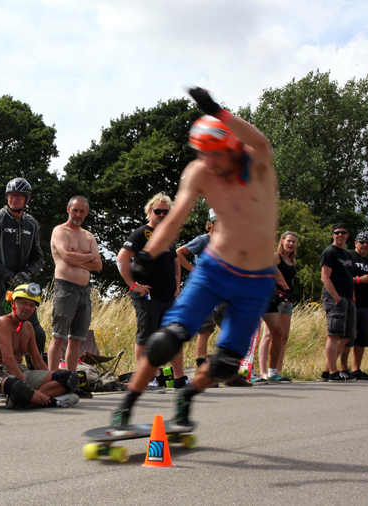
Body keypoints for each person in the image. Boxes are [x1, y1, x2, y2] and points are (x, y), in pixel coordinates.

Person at [111, 87, 279, 430]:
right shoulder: (199, 172)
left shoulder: (256, 164)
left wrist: (219, 112)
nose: (209, 161)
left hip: (256, 279)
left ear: (231, 146)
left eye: (215, 153)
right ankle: (126, 406)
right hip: (215, 270)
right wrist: (148, 252)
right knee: (166, 340)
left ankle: (186, 397)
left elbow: (261, 142)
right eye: (203, 153)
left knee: (226, 365)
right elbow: (175, 218)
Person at [116, 193, 185, 391]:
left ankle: (179, 379)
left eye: (166, 211)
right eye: (158, 211)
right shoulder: (141, 233)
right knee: (146, 337)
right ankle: (147, 379)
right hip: (147, 296)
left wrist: (177, 285)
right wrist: (133, 285)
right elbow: (122, 258)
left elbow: (175, 261)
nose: (162, 215)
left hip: (168, 297)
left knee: (173, 336)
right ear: (150, 212)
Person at [0, 178, 46, 369]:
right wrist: (9, 275)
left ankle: (35, 376)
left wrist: (27, 273)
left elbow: (38, 256)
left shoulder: (32, 224)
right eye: (11, 195)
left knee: (36, 331)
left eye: (19, 196)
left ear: (27, 199)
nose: (14, 198)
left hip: (23, 286)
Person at [0, 284, 79, 408]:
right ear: (14, 304)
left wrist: (53, 378)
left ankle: (24, 399)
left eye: (31, 305)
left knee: (70, 377)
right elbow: (8, 359)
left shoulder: (28, 327)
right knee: (20, 387)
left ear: (35, 310)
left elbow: (37, 360)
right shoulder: (2, 323)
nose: (27, 307)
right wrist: (29, 387)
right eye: (23, 303)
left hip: (21, 371)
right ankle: (54, 401)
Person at [47, 196, 102, 373]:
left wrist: (76, 258)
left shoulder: (88, 236)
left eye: (81, 211)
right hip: (65, 288)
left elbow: (98, 265)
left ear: (86, 213)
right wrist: (87, 257)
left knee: (77, 339)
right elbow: (66, 256)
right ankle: (53, 379)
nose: (77, 214)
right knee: (58, 337)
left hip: (85, 291)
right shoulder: (60, 231)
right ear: (68, 209)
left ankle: (70, 379)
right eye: (75, 210)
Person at [254, 231, 297, 384]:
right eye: (288, 241)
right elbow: (271, 269)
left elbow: (290, 279)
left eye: (293, 242)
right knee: (268, 335)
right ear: (282, 242)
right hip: (274, 298)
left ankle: (276, 371)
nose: (291, 244)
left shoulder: (293, 261)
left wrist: (289, 295)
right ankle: (263, 372)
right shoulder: (275, 256)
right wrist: (284, 288)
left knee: (283, 336)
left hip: (287, 300)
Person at [320, 223, 357, 382]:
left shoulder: (348, 254)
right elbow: (325, 277)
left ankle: (327, 370)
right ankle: (333, 373)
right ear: (333, 234)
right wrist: (336, 298)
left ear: (348, 235)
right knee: (334, 335)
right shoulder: (329, 252)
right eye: (337, 232)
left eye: (343, 232)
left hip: (349, 299)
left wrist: (352, 298)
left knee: (348, 336)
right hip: (335, 298)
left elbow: (349, 278)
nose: (340, 235)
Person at [339, 231, 368, 380]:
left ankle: (356, 370)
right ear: (355, 243)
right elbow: (343, 278)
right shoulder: (348, 257)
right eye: (362, 242)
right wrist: (359, 280)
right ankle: (344, 369)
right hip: (351, 303)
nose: (365, 245)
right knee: (348, 337)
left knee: (363, 338)